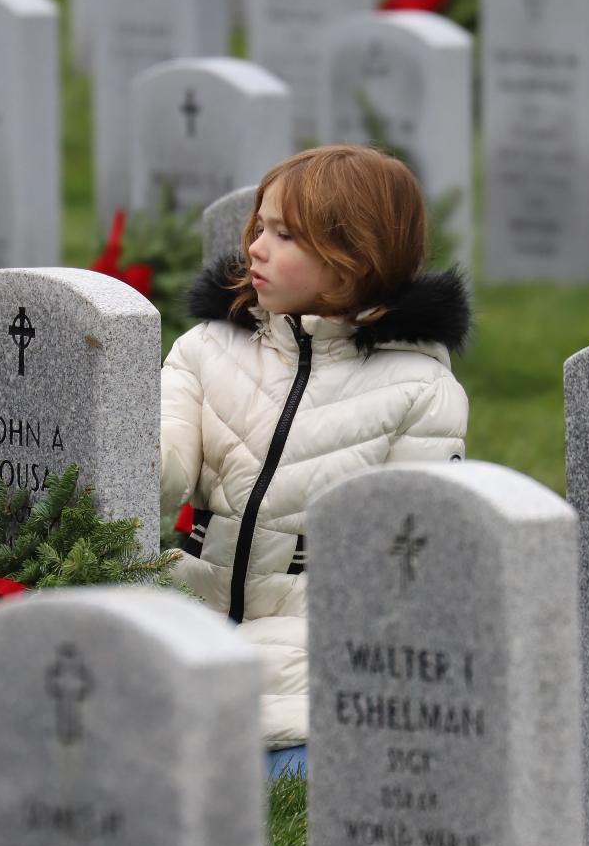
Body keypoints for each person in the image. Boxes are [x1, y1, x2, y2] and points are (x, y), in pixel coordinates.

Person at [160, 144, 470, 779]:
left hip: (313, 673)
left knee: (271, 772)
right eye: (258, 228)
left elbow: (407, 571)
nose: (255, 249)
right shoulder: (206, 349)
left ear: (353, 260)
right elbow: (160, 478)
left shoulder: (418, 390)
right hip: (185, 628)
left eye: (284, 235)